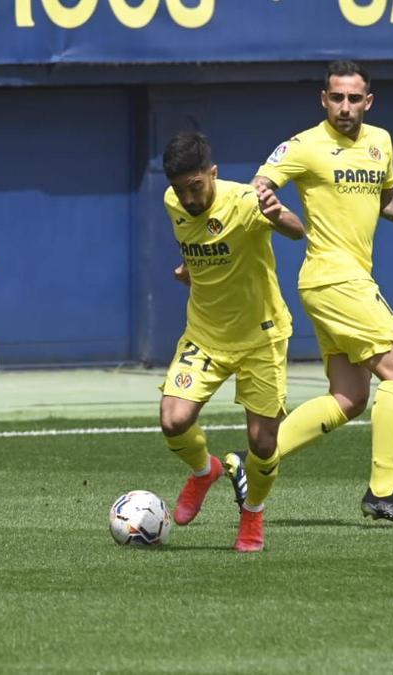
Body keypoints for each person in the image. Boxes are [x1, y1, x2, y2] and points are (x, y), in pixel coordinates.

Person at [252, 60, 393, 528]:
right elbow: (260, 184)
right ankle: (384, 492)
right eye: (337, 97)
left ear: (368, 102)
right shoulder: (305, 146)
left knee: (349, 397)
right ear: (323, 99)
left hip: (343, 281)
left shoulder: (380, 142)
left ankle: (252, 464)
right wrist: (270, 204)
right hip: (333, 278)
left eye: (354, 99)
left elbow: (387, 200)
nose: (345, 106)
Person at [159, 131, 305, 553]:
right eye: (179, 189)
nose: (187, 198)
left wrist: (278, 215)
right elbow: (198, 245)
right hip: (205, 334)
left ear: (214, 174)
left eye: (195, 187)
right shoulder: (173, 204)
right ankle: (205, 471)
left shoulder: (246, 202)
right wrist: (189, 270)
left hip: (260, 336)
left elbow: (297, 231)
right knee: (173, 420)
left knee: (262, 443)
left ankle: (253, 514)